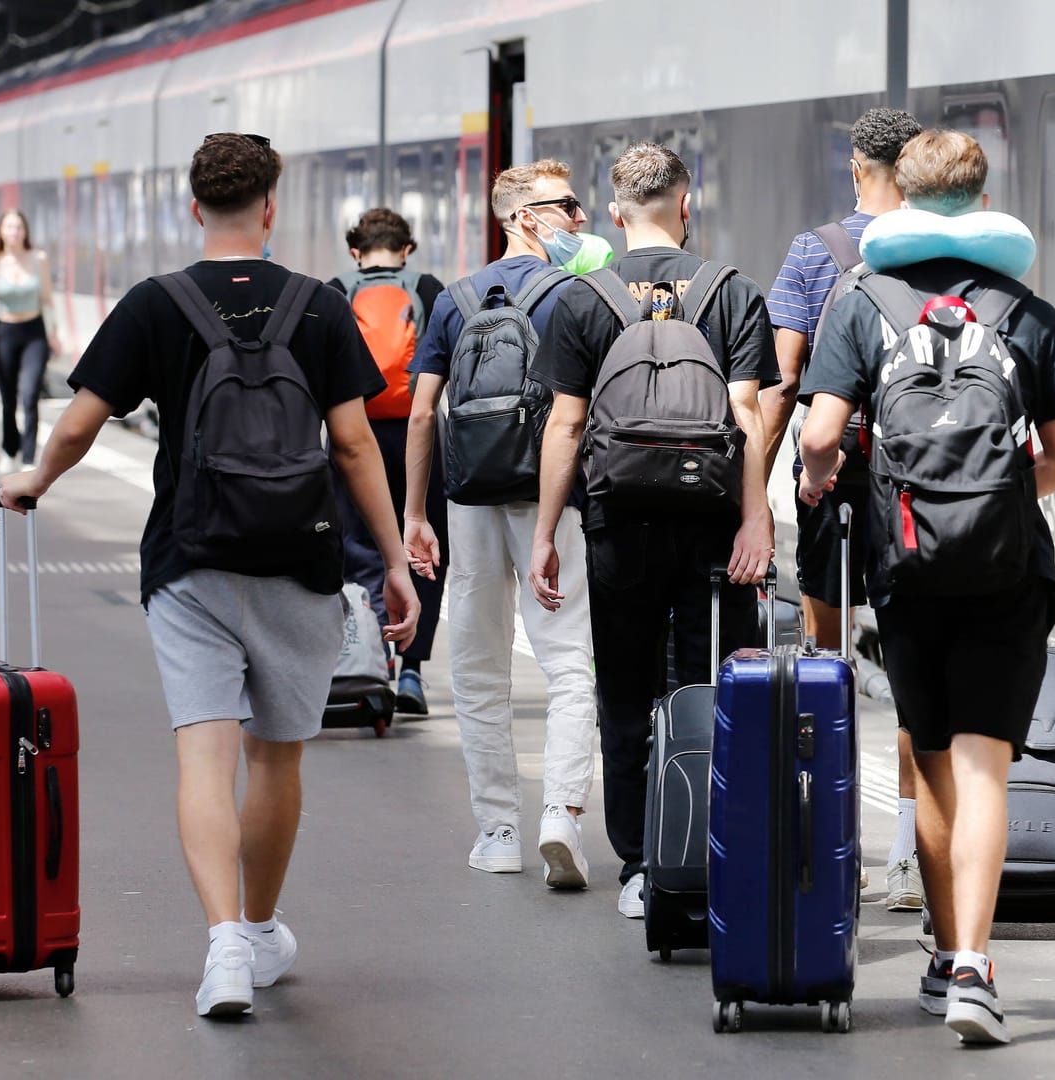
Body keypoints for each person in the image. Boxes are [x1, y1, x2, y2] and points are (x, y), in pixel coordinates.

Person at [0, 133, 420, 1020]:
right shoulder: (316, 307)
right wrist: (393, 561)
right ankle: (262, 930)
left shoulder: (157, 304)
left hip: (190, 559)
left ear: (195, 207)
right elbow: (350, 444)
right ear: (271, 206)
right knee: (274, 758)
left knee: (204, 751)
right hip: (298, 561)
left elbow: (78, 425)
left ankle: (224, 944)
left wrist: (34, 479)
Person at [797, 130, 1055, 1046]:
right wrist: (997, 492)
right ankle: (975, 967)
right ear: (981, 195)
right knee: (983, 765)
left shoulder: (860, 303)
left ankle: (938, 954)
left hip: (906, 569)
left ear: (899, 196)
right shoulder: (1026, 312)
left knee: (929, 764)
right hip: (1007, 573)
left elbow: (817, 438)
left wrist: (831, 485)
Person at [527, 142, 777, 920]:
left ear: (612, 213)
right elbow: (747, 414)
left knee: (626, 695)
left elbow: (565, 425)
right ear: (686, 203)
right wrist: (757, 520)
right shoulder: (729, 291)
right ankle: (711, 848)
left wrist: (544, 534)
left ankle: (640, 864)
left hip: (619, 523)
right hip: (711, 529)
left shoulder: (582, 298)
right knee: (709, 688)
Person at [401, 160, 599, 887]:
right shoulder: (579, 295)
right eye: (566, 207)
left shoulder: (453, 301)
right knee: (569, 661)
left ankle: (498, 828)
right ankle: (563, 816)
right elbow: (582, 415)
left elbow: (425, 411)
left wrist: (416, 512)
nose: (579, 220)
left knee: (477, 668)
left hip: (471, 494)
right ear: (522, 217)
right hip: (553, 498)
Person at [760, 106, 926, 912]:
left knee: (824, 657)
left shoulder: (815, 251)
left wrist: (750, 492)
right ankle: (906, 851)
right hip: (918, 485)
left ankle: (832, 840)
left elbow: (784, 381)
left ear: (858, 167)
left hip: (830, 478)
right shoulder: (944, 250)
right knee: (911, 663)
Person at [325, 208, 448, 714]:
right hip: (419, 436)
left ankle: (372, 662)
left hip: (354, 433)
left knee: (358, 545)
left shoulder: (335, 289)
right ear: (407, 249)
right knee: (423, 549)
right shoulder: (429, 288)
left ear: (356, 251)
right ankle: (413, 671)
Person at [0, 209, 62, 477]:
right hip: (4, 331)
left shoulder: (38, 259)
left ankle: (28, 457)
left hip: (34, 332)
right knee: (7, 398)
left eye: (19, 227)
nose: (14, 232)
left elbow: (47, 300)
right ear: (1, 231)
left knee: (29, 395)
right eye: (9, 227)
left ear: (25, 231)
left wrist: (53, 333)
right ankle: (8, 449)